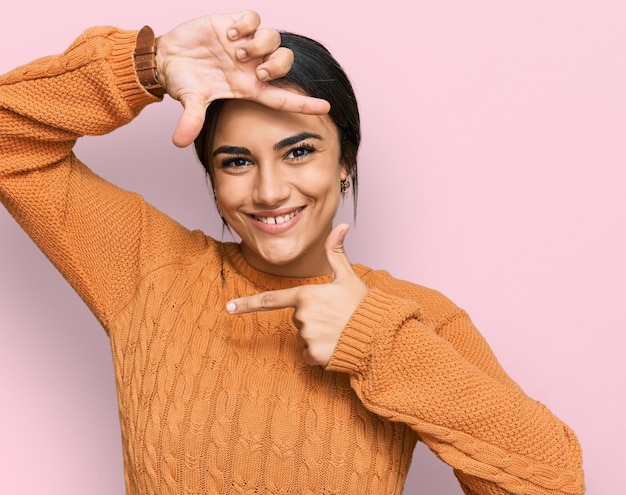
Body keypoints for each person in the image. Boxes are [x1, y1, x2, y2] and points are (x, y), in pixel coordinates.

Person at [0, 9, 585, 495]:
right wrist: (148, 68)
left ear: (346, 162)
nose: (270, 190)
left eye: (299, 151)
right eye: (236, 160)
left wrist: (374, 341)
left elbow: (556, 483)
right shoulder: (149, 271)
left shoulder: (413, 317)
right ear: (210, 175)